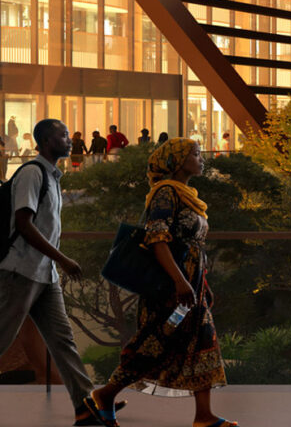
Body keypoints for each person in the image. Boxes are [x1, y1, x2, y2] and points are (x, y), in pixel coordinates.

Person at [89, 139, 232, 427]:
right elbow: (157, 240)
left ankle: (203, 416)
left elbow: (192, 245)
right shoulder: (165, 194)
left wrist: (201, 284)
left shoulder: (188, 194)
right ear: (177, 161)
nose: (201, 158)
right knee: (155, 343)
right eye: (194, 154)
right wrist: (180, 282)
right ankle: (105, 394)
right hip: (170, 287)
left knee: (201, 341)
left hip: (191, 284)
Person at [2, 119, 103, 426]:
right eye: (63, 135)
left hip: (45, 275)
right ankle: (87, 406)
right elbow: (24, 224)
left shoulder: (52, 176)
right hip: (21, 271)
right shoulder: (33, 173)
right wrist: (64, 259)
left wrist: (55, 265)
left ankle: (87, 406)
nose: (70, 139)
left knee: (63, 342)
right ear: (46, 141)